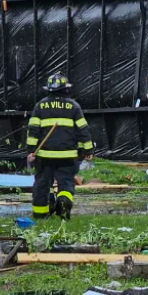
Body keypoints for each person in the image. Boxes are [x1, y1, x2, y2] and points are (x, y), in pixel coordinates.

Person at [25, 73, 94, 219]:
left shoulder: (40, 106)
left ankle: (40, 215)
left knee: (42, 185)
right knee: (66, 183)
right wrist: (87, 150)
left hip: (44, 157)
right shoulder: (74, 106)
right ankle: (63, 202)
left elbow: (33, 131)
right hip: (67, 156)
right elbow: (83, 130)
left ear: (48, 90)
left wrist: (31, 151)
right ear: (65, 89)